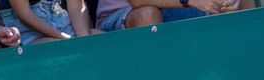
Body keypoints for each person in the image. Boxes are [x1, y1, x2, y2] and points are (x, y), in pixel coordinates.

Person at [93, 0, 248, 34]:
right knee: (148, 15)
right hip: (119, 20)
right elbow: (137, 1)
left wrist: (225, 4)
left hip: (184, 11)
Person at [0, 0, 89, 43]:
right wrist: (67, 39)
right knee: (60, 50)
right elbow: (25, 15)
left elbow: (76, 6)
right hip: (27, 31)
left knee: (100, 40)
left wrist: (85, 41)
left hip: (60, 21)